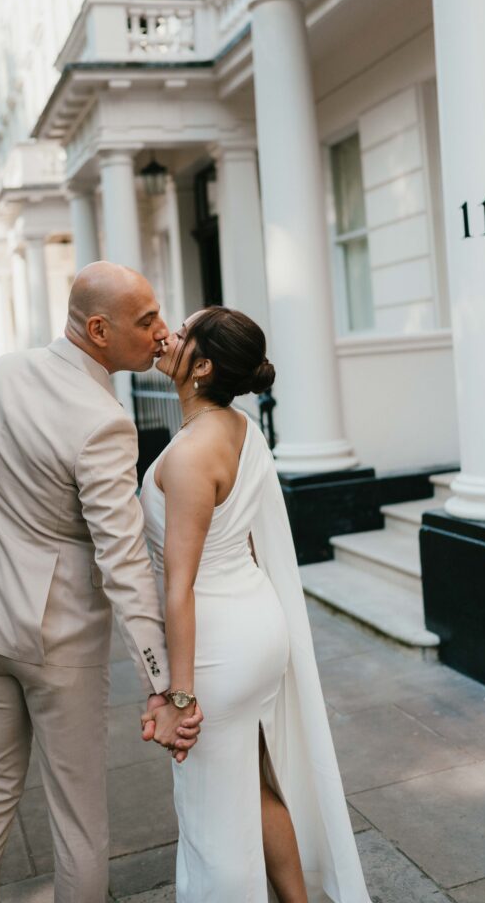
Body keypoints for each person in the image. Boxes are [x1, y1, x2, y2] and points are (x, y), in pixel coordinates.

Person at [0, 262, 202, 903]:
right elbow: (124, 565)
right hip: (54, 641)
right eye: (146, 321)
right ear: (98, 329)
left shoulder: (0, 372)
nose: (162, 331)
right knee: (80, 823)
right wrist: (163, 689)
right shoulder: (103, 421)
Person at [140, 306, 372, 903]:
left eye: (184, 333)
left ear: (203, 365)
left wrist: (180, 699)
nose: (170, 335)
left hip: (217, 646)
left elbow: (179, 586)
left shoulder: (192, 454)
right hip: (255, 624)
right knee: (259, 780)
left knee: (213, 828)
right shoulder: (238, 427)